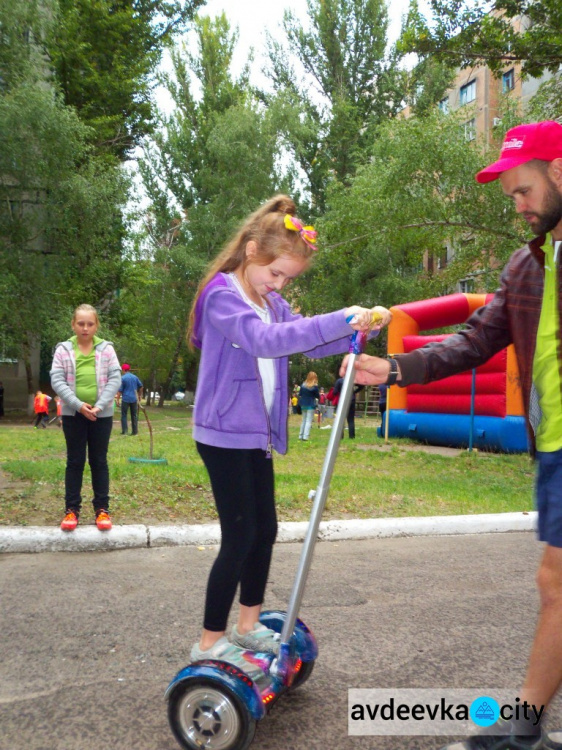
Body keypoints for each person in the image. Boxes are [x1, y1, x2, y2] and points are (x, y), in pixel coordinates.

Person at [341, 121, 562, 750]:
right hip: (553, 446)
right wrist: (396, 368)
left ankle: (519, 730)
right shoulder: (527, 265)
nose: (517, 205)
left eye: (523, 190)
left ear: (559, 172)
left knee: (556, 583)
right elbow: (475, 341)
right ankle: (522, 729)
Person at [187, 194, 391, 676]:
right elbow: (265, 342)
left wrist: (359, 329)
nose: (278, 284)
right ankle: (209, 642)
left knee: (266, 530)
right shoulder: (222, 295)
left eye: (287, 278)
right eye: (274, 273)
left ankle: (249, 624)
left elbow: (304, 336)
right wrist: (340, 316)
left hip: (253, 434)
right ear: (252, 249)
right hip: (222, 433)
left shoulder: (273, 303)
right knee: (239, 535)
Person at [50, 303, 121, 532]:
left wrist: (99, 406)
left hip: (101, 415)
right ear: (73, 324)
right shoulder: (63, 349)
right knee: (75, 461)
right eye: (81, 323)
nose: (85, 328)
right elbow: (57, 380)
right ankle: (72, 510)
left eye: (90, 324)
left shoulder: (106, 349)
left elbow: (115, 378)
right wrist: (79, 406)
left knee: (99, 461)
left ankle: (102, 510)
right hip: (73, 414)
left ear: (96, 325)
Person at [116, 363, 143, 435]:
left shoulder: (123, 378)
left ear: (123, 370)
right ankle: (135, 431)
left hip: (126, 399)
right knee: (134, 415)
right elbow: (141, 386)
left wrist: (117, 399)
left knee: (124, 415)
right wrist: (139, 396)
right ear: (129, 369)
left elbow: (120, 390)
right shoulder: (135, 377)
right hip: (134, 399)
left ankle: (125, 431)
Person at [298, 371, 319, 440]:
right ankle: (305, 436)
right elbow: (317, 396)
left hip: (303, 404)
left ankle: (300, 435)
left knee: (303, 420)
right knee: (308, 421)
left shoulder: (303, 385)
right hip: (310, 404)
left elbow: (300, 394)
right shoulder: (315, 386)